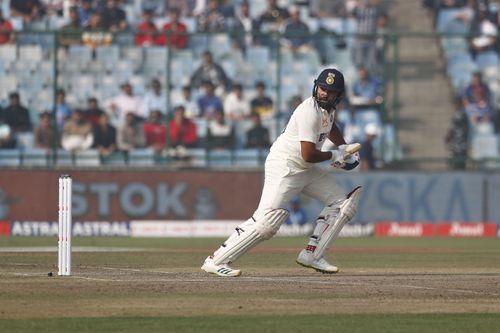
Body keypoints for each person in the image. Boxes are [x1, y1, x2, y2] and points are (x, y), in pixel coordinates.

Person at [201, 68, 362, 277]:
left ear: (338, 95)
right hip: (285, 166)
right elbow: (308, 154)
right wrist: (335, 155)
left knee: (344, 204)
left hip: (305, 169)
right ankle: (215, 260)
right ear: (316, 87)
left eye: (330, 91)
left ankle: (312, 254)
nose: (324, 93)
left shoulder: (327, 110)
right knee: (267, 221)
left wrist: (345, 149)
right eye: (322, 88)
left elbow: (330, 127)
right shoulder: (308, 111)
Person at [445, 97, 469, 170]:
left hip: (458, 144)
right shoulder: (464, 114)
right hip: (461, 144)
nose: (454, 106)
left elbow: (452, 129)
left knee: (457, 166)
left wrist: (447, 137)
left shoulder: (458, 114)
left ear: (459, 104)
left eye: (455, 104)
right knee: (461, 166)